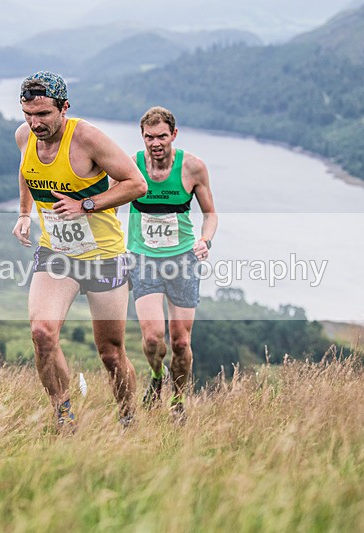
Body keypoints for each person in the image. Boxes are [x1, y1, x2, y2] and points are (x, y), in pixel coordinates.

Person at [12, 71, 148, 431]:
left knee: (111, 353)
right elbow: (27, 172)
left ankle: (128, 419)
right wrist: (25, 214)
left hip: (103, 256)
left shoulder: (87, 138)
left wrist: (86, 205)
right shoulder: (24, 136)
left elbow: (137, 183)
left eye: (44, 115)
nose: (35, 123)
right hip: (56, 254)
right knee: (42, 333)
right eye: (28, 113)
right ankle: (64, 416)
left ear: (64, 108)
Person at [127, 106, 218, 423]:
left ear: (174, 135)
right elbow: (106, 198)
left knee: (180, 341)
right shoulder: (132, 166)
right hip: (143, 258)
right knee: (153, 339)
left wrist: (205, 240)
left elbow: (210, 214)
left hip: (183, 260)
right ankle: (156, 375)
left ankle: (178, 403)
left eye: (162, 136)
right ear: (142, 137)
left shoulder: (193, 167)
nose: (155, 143)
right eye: (149, 137)